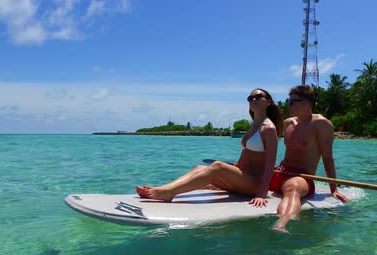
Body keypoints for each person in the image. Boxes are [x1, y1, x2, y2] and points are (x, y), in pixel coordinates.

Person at [136, 88, 283, 208]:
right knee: (201, 168)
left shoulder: (268, 128)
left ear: (268, 101)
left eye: (258, 96)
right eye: (250, 98)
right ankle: (165, 188)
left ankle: (168, 192)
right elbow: (245, 158)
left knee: (217, 165)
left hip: (253, 184)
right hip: (242, 178)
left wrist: (261, 194)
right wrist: (225, 179)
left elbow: (270, 165)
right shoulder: (254, 126)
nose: (254, 100)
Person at [270, 85, 349, 234]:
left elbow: (327, 157)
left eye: (293, 102)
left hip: (301, 178)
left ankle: (281, 224)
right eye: (289, 101)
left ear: (306, 103)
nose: (289, 105)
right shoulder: (288, 123)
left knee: (293, 187)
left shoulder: (322, 124)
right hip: (279, 172)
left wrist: (334, 189)